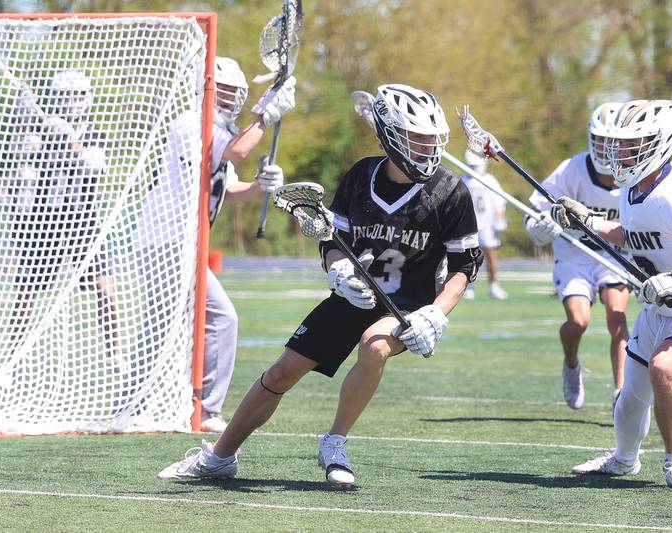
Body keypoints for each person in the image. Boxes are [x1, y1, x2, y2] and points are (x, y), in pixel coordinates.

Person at [158, 83, 482, 485]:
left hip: (408, 307)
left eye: (432, 139)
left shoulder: (450, 192)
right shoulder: (362, 176)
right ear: (390, 135)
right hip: (354, 296)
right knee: (280, 374)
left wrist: (436, 313)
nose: (427, 147)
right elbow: (333, 240)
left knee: (375, 346)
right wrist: (340, 272)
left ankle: (335, 441)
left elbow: (463, 267)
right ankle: (220, 456)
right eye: (416, 138)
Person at [551, 99, 672, 489]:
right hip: (662, 308)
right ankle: (624, 460)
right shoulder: (631, 190)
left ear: (661, 142)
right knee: (630, 393)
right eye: (620, 145)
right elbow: (634, 234)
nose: (621, 154)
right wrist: (588, 222)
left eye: (632, 145)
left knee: (664, 367)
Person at [133, 57, 296, 432]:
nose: (228, 98)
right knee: (214, 319)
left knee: (163, 326)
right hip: (166, 239)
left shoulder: (220, 128)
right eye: (220, 90)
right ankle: (200, 411)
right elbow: (236, 152)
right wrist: (265, 115)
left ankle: (141, 402)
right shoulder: (192, 123)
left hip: (177, 242)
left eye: (234, 93)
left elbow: (229, 188)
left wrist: (260, 186)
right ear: (202, 89)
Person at [524, 103, 631, 409]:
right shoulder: (572, 169)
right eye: (601, 141)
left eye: (614, 143)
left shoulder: (634, 175)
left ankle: (620, 393)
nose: (607, 149)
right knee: (579, 320)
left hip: (614, 254)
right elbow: (534, 212)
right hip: (574, 253)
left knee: (617, 318)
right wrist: (538, 228)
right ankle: (571, 362)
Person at [10, 70, 121, 365]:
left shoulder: (95, 133)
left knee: (105, 287)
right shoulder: (44, 129)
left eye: (77, 96)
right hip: (45, 219)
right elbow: (23, 156)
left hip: (83, 219)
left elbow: (94, 168)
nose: (72, 101)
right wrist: (30, 134)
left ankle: (114, 354)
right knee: (27, 292)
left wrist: (70, 140)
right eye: (66, 96)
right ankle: (12, 356)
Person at [460, 150, 508, 300]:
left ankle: (494, 286)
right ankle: (468, 287)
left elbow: (499, 201)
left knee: (490, 254)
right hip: (469, 224)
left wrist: (499, 218)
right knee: (467, 257)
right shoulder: (463, 180)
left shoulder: (490, 180)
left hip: (487, 224)